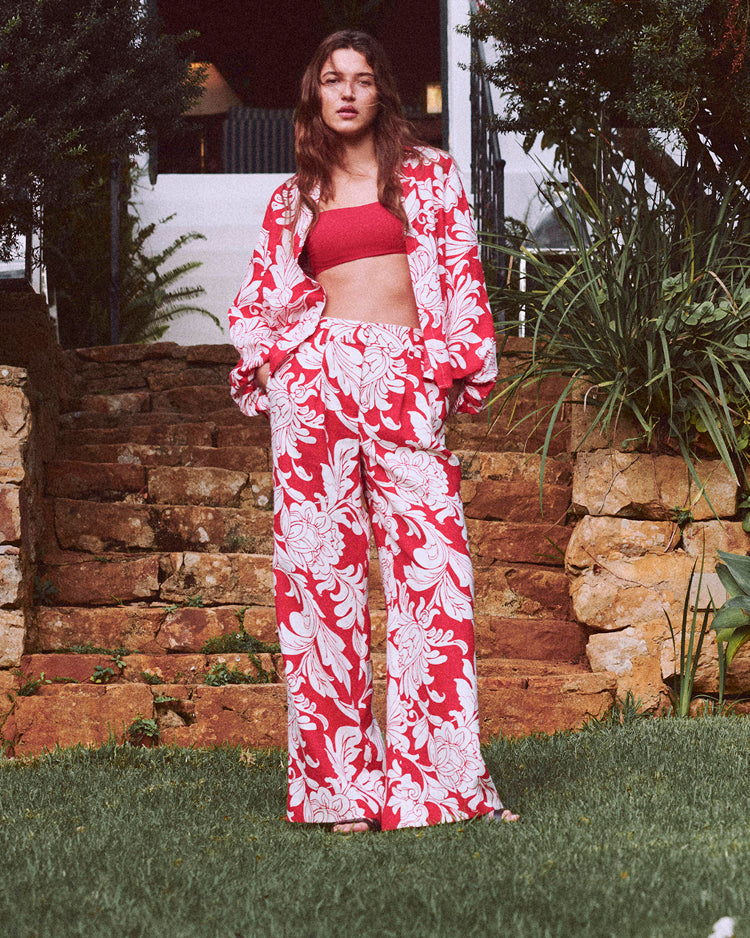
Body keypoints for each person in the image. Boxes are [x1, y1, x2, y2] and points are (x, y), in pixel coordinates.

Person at [228, 30, 518, 832]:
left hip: (402, 381)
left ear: (381, 92)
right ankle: (341, 792)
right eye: (331, 80)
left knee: (437, 584)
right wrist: (286, 365)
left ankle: (442, 787)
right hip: (317, 385)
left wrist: (439, 371)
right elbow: (258, 304)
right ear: (314, 96)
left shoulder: (429, 176)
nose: (347, 92)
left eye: (361, 79)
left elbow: (460, 274)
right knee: (320, 585)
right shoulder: (293, 198)